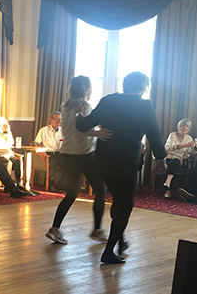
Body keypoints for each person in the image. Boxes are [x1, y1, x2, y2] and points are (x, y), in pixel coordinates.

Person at [76, 71, 167, 264]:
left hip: (103, 160)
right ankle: (109, 252)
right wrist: (160, 158)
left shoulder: (108, 100)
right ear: (143, 87)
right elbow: (155, 135)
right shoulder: (144, 106)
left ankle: (121, 241)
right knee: (124, 205)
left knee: (119, 200)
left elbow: (84, 125)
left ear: (125, 85)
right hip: (126, 162)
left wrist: (78, 116)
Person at [45, 76, 112, 245]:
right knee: (100, 189)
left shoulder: (65, 106)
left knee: (72, 193)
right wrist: (98, 133)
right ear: (86, 89)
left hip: (67, 154)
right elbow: (82, 128)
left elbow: (74, 127)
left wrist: (94, 130)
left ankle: (55, 228)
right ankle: (97, 230)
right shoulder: (85, 106)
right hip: (84, 154)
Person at [159, 119, 195, 199]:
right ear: (179, 126)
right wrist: (186, 145)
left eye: (187, 126)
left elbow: (188, 153)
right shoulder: (173, 135)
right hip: (168, 158)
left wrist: (182, 158)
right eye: (183, 126)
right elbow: (173, 146)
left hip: (180, 160)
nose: (184, 128)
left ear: (189, 129)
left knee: (176, 161)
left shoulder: (189, 138)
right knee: (174, 162)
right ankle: (168, 188)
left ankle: (167, 185)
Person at [34, 111, 64, 192]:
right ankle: (52, 184)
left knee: (69, 163)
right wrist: (42, 151)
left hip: (60, 153)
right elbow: (36, 143)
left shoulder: (63, 131)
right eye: (57, 119)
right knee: (53, 163)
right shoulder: (43, 130)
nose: (59, 122)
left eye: (60, 120)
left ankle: (61, 184)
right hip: (49, 153)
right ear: (51, 120)